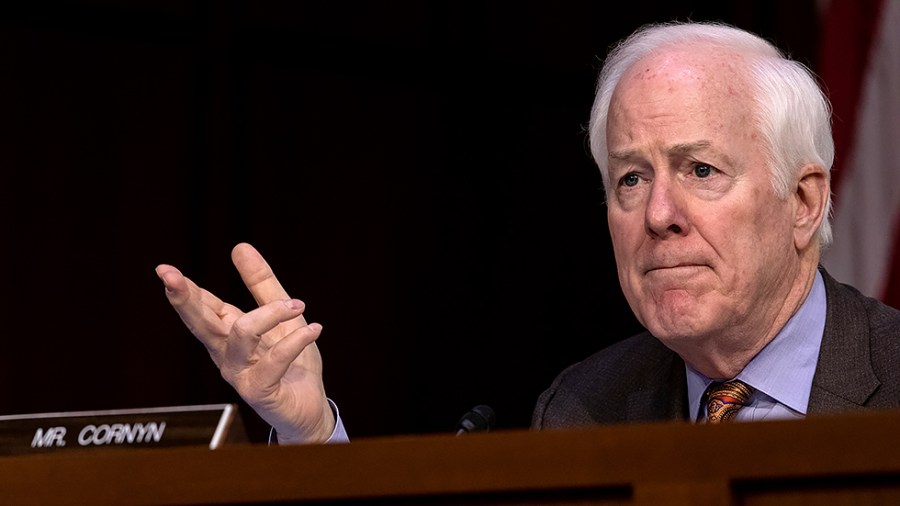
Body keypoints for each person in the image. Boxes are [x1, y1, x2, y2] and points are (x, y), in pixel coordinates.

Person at [155, 20, 900, 444]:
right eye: (630, 178)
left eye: (700, 170)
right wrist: (313, 434)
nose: (658, 214)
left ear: (804, 200)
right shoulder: (583, 406)